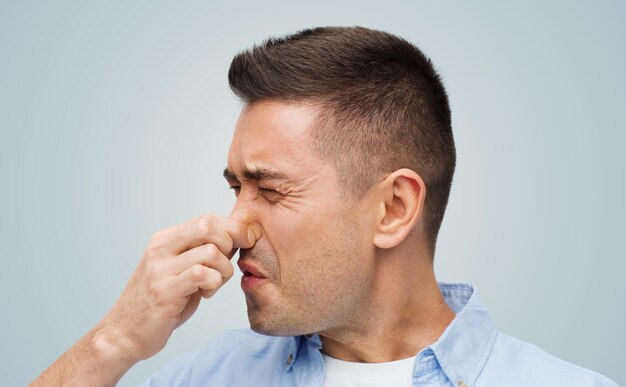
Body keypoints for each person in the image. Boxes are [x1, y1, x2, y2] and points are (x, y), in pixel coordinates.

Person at [31, 26, 618, 387]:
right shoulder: (205, 377)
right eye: (236, 186)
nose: (236, 225)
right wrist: (112, 344)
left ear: (393, 208)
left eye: (271, 188)